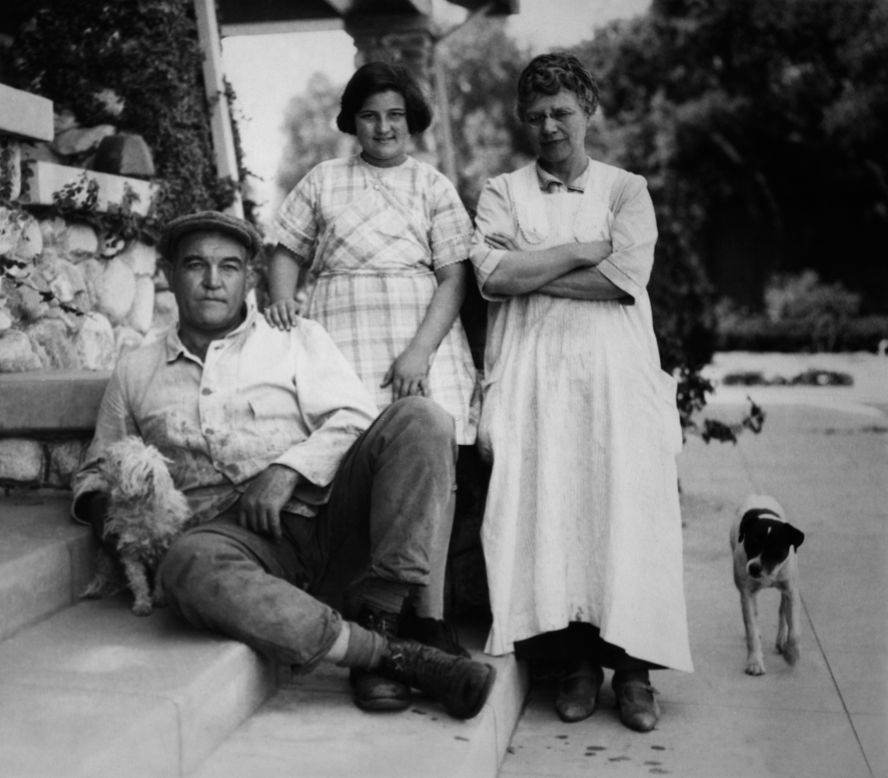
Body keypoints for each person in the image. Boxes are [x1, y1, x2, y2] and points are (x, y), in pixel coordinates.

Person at [72, 210, 496, 719]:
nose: (212, 281)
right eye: (195, 265)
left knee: (422, 419)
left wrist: (287, 470)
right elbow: (96, 469)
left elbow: (355, 415)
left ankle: (382, 612)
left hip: (329, 520)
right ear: (167, 273)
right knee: (185, 564)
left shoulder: (294, 337)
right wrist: (117, 521)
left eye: (229, 267)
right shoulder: (136, 370)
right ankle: (389, 657)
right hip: (234, 544)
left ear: (249, 277)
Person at [469, 53, 692, 733]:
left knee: (621, 512)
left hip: (614, 378)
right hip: (534, 376)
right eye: (535, 115)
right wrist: (575, 251)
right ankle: (571, 666)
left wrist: (530, 268)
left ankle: (631, 672)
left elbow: (624, 278)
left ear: (588, 110)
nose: (549, 126)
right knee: (551, 512)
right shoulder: (501, 191)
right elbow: (492, 276)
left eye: (561, 112)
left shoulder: (626, 189)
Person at [265, 62, 478, 643]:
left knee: (431, 470)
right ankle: (366, 607)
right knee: (349, 462)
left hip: (418, 336)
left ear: (412, 122)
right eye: (370, 116)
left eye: (395, 117)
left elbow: (454, 277)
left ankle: (428, 618)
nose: (383, 128)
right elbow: (285, 248)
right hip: (340, 335)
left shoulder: (432, 184)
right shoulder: (324, 179)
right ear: (352, 121)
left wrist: (419, 353)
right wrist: (283, 301)